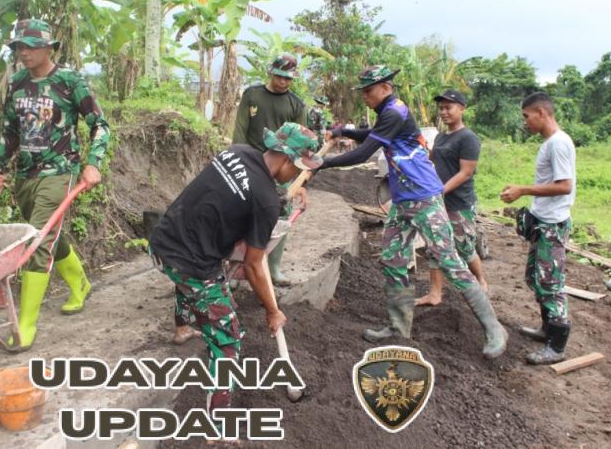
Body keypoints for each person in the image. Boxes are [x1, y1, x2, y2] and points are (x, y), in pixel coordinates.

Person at [319, 65, 507, 359]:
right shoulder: (389, 113)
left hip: (425, 197)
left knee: (449, 261)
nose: (365, 96)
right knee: (394, 259)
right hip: (402, 200)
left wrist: (324, 163)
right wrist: (344, 131)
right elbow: (372, 135)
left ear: (385, 87)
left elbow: (365, 152)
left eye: (368, 91)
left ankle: (494, 328)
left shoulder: (394, 111)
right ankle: (398, 328)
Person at [149, 122, 322, 415]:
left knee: (196, 284)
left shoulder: (237, 152)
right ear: (285, 158)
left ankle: (182, 329)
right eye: (299, 168)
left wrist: (287, 197)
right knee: (227, 339)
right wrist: (272, 310)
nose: (300, 174)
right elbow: (254, 265)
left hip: (162, 243)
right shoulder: (265, 202)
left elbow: (232, 197)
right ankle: (217, 426)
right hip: (190, 264)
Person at [0, 19, 110, 351]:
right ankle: (80, 284)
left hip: (60, 172)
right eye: (18, 47)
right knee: (48, 233)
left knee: (38, 240)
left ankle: (24, 327)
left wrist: (93, 163)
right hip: (26, 175)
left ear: (48, 48)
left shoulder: (70, 82)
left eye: (29, 46)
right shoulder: (16, 83)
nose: (23, 52)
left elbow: (100, 125)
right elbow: (10, 130)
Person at [500, 92, 576, 365]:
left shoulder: (558, 144)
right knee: (535, 278)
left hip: (553, 225)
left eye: (526, 116)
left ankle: (557, 346)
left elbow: (565, 185)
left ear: (541, 113)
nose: (525, 122)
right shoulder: (549, 143)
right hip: (543, 223)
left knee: (550, 283)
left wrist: (523, 190)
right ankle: (546, 329)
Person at [232, 54, 309, 287]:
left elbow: (300, 141)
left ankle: (274, 266)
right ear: (271, 72)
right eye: (279, 76)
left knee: (281, 214)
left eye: (288, 79)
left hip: (281, 168)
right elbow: (240, 129)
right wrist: (237, 157)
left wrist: (297, 178)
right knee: (240, 213)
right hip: (251, 161)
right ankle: (235, 267)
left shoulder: (296, 105)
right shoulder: (252, 95)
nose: (283, 82)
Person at [416, 90, 488, 306]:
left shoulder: (468, 138)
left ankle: (481, 281)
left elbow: (466, 172)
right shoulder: (440, 136)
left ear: (462, 108)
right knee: (435, 246)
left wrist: (440, 190)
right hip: (439, 201)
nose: (444, 112)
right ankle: (435, 293)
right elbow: (433, 160)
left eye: (449, 107)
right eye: (441, 108)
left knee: (465, 247)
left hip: (459, 203)